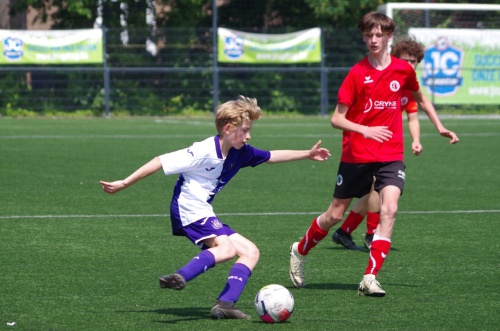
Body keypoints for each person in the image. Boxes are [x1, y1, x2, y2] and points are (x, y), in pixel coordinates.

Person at [100, 95, 331, 319]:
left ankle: (225, 304)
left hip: (202, 210)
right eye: (245, 130)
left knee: (250, 252)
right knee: (228, 249)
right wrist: (125, 182)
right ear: (228, 129)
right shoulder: (203, 151)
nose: (249, 136)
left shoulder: (241, 152)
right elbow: (160, 161)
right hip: (188, 209)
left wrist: (307, 154)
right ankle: (180, 276)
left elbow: (271, 156)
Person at [288, 12, 459, 297]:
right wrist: (364, 130)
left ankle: (370, 276)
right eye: (369, 35)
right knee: (335, 215)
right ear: (364, 36)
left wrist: (440, 126)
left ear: (390, 36)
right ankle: (300, 249)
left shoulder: (403, 70)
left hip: (391, 154)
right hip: (356, 155)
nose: (374, 40)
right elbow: (336, 119)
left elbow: (420, 98)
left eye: (379, 35)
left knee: (389, 209)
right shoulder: (357, 73)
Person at [331, 36, 459, 251]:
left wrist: (420, 138)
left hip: (386, 148)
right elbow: (341, 116)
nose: (409, 66)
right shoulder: (372, 75)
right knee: (362, 197)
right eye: (405, 61)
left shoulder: (406, 88)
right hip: (361, 144)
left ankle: (349, 232)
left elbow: (414, 115)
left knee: (376, 191)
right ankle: (363, 233)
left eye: (413, 62)